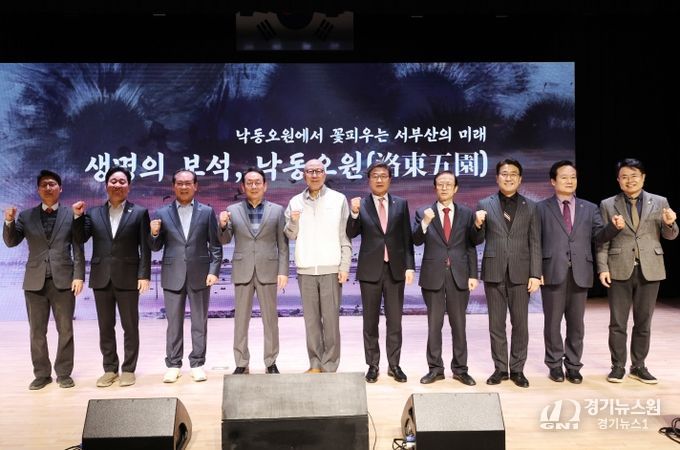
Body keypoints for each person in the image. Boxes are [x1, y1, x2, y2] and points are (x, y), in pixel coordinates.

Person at [537, 161, 623, 384]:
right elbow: (535, 242)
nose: (569, 181)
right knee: (552, 323)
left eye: (573, 177)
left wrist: (613, 227)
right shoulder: (541, 208)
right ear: (553, 181)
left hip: (580, 272)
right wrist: (536, 272)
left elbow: (599, 236)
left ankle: (574, 366)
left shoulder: (589, 208)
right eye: (564, 177)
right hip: (551, 271)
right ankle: (554, 365)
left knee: (576, 324)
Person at [597, 158, 678, 384]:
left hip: (650, 268)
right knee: (618, 323)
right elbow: (601, 240)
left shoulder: (659, 201)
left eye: (634, 176)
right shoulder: (607, 204)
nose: (629, 180)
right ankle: (617, 366)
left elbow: (671, 235)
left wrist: (670, 223)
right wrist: (602, 268)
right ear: (618, 180)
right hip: (618, 268)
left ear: (643, 178)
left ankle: (639, 366)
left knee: (644, 322)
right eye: (624, 176)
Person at [3, 170, 84, 390]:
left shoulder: (71, 214)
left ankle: (64, 373)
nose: (48, 188)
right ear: (38, 190)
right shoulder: (26, 216)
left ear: (60, 188)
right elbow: (11, 242)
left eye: (52, 184)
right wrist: (9, 221)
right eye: (44, 185)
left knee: (65, 330)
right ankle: (41, 374)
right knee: (37, 331)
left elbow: (78, 247)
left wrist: (78, 276)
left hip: (64, 280)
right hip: (34, 281)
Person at [72, 166, 151, 387]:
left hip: (129, 277)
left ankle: (128, 369)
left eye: (122, 181)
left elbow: (145, 247)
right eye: (113, 181)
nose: (117, 185)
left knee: (130, 326)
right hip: (101, 278)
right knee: (105, 327)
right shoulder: (93, 213)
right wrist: (77, 217)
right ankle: (109, 369)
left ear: (129, 187)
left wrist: (143, 275)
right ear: (106, 185)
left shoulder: (139, 212)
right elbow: (80, 237)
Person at [149, 169, 222, 383]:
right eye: (179, 183)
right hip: (173, 274)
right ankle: (173, 364)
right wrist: (153, 233)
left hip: (200, 274)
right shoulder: (162, 213)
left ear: (195, 186)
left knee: (199, 322)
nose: (184, 187)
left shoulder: (206, 212)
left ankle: (197, 363)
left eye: (188, 183)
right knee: (173, 323)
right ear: (174, 186)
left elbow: (215, 246)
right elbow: (155, 246)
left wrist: (214, 271)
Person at [474, 158, 541, 388]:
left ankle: (518, 369)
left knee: (520, 324)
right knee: (496, 324)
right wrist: (477, 225)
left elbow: (535, 242)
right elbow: (477, 239)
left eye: (513, 174)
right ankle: (500, 369)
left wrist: (535, 274)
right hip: (494, 271)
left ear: (520, 179)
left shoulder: (531, 206)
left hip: (521, 273)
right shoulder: (485, 204)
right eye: (504, 173)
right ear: (497, 178)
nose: (508, 177)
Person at [346, 160, 415, 383]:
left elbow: (406, 237)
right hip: (370, 271)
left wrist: (410, 266)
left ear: (390, 179)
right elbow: (351, 232)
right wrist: (354, 213)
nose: (379, 179)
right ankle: (373, 365)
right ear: (369, 180)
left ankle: (394, 365)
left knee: (395, 321)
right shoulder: (362, 204)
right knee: (370, 321)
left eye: (383, 176)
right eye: (375, 176)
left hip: (395, 270)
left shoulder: (400, 204)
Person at [413, 171, 481, 386]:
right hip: (433, 275)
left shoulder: (467, 213)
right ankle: (435, 369)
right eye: (440, 184)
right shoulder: (423, 212)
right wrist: (425, 222)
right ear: (435, 187)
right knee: (434, 325)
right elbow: (415, 240)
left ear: (456, 188)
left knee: (459, 325)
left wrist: (473, 274)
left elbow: (471, 245)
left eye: (448, 184)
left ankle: (460, 369)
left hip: (459, 275)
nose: (444, 188)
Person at [219, 168, 289, 375]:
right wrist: (222, 225)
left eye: (258, 182)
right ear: (243, 186)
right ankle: (241, 362)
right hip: (243, 270)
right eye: (249, 182)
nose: (253, 186)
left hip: (269, 269)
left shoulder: (277, 210)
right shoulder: (232, 210)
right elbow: (224, 240)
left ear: (265, 186)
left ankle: (271, 361)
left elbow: (283, 244)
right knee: (241, 320)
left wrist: (283, 271)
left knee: (271, 320)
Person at [284, 158, 351, 373]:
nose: (314, 175)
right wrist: (293, 221)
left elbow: (344, 235)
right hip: (305, 270)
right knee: (311, 321)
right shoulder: (295, 201)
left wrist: (344, 265)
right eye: (310, 171)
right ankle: (315, 363)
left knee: (331, 321)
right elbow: (290, 234)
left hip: (331, 268)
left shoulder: (338, 199)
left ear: (324, 174)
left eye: (318, 171)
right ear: (304, 175)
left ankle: (329, 365)